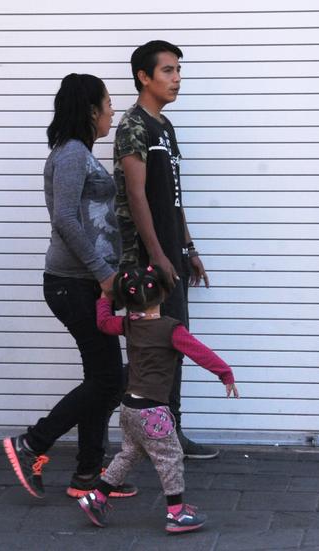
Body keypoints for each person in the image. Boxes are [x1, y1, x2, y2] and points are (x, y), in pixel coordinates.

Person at [3, 73, 136, 500]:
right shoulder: (73, 154)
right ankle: (33, 444)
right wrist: (103, 273)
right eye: (108, 103)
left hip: (87, 284)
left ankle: (88, 475)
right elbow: (64, 219)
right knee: (107, 380)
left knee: (102, 378)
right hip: (73, 283)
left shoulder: (78, 153)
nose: (112, 111)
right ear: (91, 109)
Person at [114, 40, 217, 459]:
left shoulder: (165, 127)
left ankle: (169, 432)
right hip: (146, 262)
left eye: (178, 71)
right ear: (144, 76)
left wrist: (187, 246)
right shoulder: (134, 126)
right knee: (151, 350)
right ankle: (147, 437)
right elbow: (136, 197)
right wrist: (156, 254)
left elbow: (173, 197)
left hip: (171, 253)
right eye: (168, 71)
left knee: (174, 342)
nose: (176, 79)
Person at [78, 265, 238, 533]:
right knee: (171, 457)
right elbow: (200, 352)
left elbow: (103, 323)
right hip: (153, 410)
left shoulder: (129, 324)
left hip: (129, 406)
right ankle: (176, 513)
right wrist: (225, 373)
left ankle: (96, 498)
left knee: (129, 453)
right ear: (163, 295)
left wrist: (104, 299)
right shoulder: (170, 329)